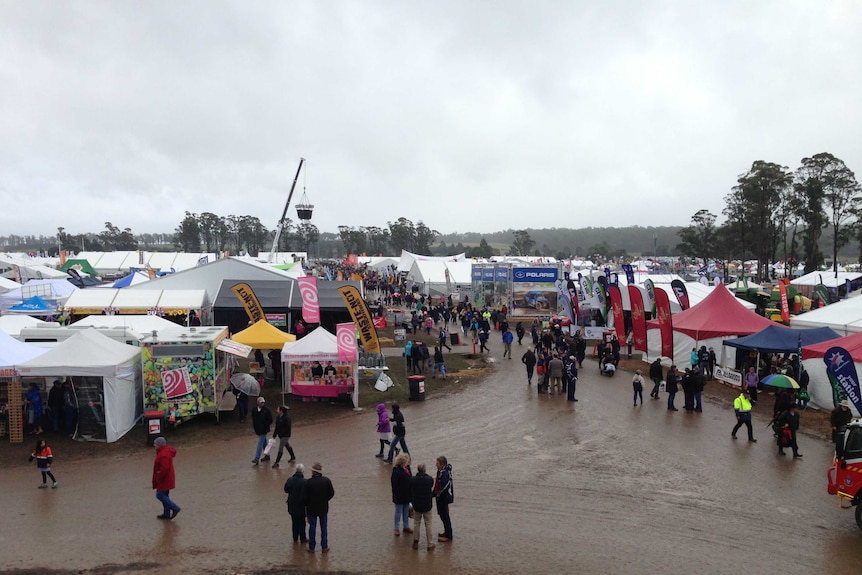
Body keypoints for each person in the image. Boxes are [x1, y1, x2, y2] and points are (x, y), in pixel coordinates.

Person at [303, 462, 334, 553]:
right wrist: (325, 500)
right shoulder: (327, 481)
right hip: (323, 508)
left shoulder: (308, 482)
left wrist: (307, 505)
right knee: (324, 527)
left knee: (312, 527)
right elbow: (331, 493)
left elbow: (305, 498)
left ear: (313, 472)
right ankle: (324, 546)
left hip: (311, 508)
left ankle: (311, 547)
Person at [152, 436, 180, 519]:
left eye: (155, 444)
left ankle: (174, 508)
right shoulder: (164, 452)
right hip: (166, 478)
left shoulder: (163, 454)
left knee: (160, 495)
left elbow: (165, 468)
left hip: (164, 479)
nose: (154, 445)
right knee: (164, 495)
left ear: (159, 445)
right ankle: (166, 513)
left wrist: (159, 477)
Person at [410, 462, 436, 551]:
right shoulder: (429, 479)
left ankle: (415, 542)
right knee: (428, 524)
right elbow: (432, 485)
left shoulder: (413, 479)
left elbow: (410, 487)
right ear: (425, 470)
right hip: (427, 504)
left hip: (416, 504)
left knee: (416, 523)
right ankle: (430, 543)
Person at [390, 453, 413, 536]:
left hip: (407, 495)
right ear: (403, 462)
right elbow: (394, 485)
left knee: (406, 511)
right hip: (399, 496)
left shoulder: (407, 469)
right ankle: (396, 528)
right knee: (398, 512)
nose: (408, 463)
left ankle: (406, 526)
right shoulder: (396, 471)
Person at [284, 464, 307, 544]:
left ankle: (295, 537)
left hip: (292, 504)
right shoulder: (305, 481)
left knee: (294, 521)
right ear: (303, 471)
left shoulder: (290, 480)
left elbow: (286, 490)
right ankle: (303, 538)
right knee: (302, 522)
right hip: (301, 505)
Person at [434, 456, 454, 543]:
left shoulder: (444, 473)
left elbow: (444, 487)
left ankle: (448, 536)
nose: (436, 465)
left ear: (442, 464)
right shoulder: (443, 471)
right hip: (442, 497)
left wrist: (438, 494)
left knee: (445, 516)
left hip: (444, 497)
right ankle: (446, 532)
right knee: (443, 516)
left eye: (437, 463)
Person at [251, 397, 273, 465]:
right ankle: (267, 455)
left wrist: (265, 425)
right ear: (258, 403)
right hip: (258, 429)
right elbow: (253, 418)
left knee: (260, 443)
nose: (262, 404)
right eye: (261, 402)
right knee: (264, 443)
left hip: (264, 429)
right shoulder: (254, 410)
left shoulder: (267, 410)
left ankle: (257, 458)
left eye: (263, 402)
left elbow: (270, 419)